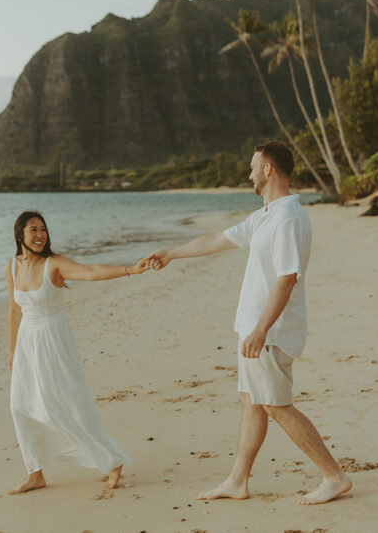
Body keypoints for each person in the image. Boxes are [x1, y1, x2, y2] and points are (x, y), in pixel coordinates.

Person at [145, 141, 352, 505]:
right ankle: (238, 480)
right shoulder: (266, 215)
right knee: (252, 403)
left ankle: (333, 475)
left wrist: (260, 329)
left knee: (275, 405)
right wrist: (171, 253)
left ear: (269, 169)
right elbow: (218, 239)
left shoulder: (287, 219)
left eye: (254, 166)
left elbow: (287, 278)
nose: (249, 173)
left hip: (269, 332)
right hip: (256, 329)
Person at [6, 210, 149, 495]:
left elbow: (91, 272)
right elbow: (14, 310)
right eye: (33, 229)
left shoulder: (54, 265)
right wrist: (12, 352)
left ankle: (111, 461)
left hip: (53, 339)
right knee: (20, 405)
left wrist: (130, 270)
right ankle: (35, 473)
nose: (40, 235)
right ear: (20, 234)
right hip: (26, 343)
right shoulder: (11, 267)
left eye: (43, 229)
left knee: (67, 404)